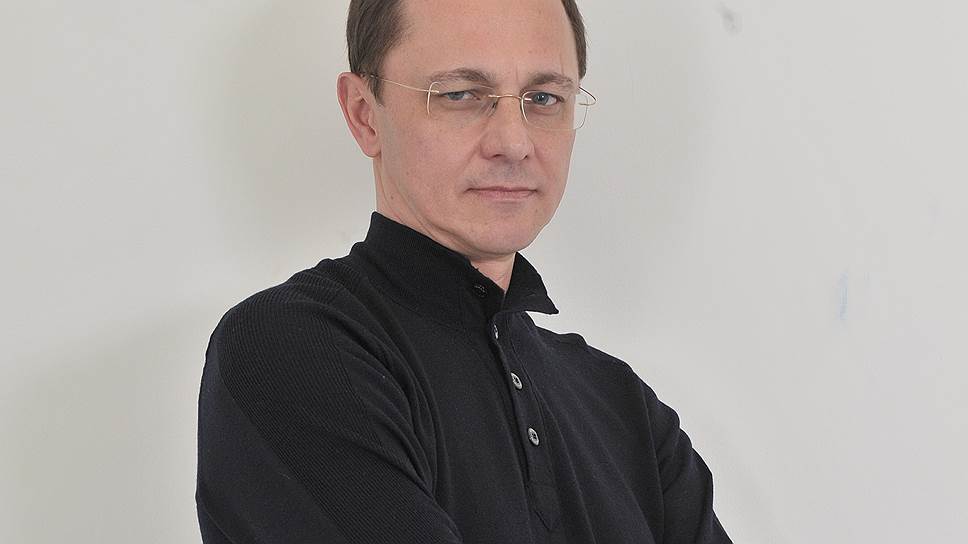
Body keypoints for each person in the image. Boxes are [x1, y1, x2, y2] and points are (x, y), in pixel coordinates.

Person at [195, 0, 733, 542]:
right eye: (460, 94)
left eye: (543, 98)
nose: (514, 144)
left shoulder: (624, 408)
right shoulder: (287, 349)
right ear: (364, 114)